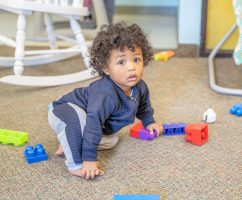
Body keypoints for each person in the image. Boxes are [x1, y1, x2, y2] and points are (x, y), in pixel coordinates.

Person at [48, 22, 164, 180]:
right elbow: (94, 122)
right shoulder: (105, 94)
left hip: (88, 119)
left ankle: (69, 142)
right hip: (64, 108)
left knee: (112, 140)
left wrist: (149, 122)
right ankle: (75, 164)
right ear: (106, 68)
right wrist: (89, 160)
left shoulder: (140, 86)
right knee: (80, 123)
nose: (132, 67)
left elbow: (143, 106)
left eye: (136, 60)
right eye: (121, 62)